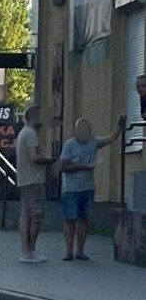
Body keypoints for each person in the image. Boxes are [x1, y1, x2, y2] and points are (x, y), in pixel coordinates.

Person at [59, 114, 125, 260]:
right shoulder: (69, 145)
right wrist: (83, 166)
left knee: (83, 219)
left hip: (87, 187)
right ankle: (68, 251)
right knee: (70, 219)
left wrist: (119, 123)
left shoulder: (93, 141)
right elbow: (63, 166)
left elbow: (112, 137)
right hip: (71, 188)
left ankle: (80, 251)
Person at [15, 105, 55, 263]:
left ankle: (25, 251)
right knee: (36, 216)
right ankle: (30, 251)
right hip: (34, 180)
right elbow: (34, 157)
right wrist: (50, 160)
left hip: (24, 179)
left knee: (25, 215)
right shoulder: (31, 134)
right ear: (34, 117)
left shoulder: (22, 133)